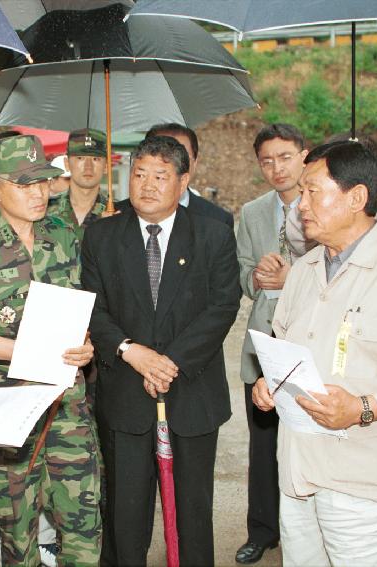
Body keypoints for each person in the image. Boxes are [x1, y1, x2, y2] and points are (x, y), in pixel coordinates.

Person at [251, 140, 377, 566]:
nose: (300, 205)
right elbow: (285, 353)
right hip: (299, 476)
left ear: (356, 197)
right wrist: (268, 386)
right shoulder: (303, 273)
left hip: (368, 484)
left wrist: (363, 407)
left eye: (312, 192)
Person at [0, 134, 101, 566]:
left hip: (67, 406)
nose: (38, 193)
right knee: (17, 536)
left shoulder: (65, 234)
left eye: (43, 183)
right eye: (24, 184)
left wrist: (86, 345)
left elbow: (83, 306)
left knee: (83, 527)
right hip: (8, 410)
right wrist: (21, 349)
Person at [81, 135, 241, 565]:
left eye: (160, 176)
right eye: (139, 174)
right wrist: (133, 352)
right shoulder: (101, 236)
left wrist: (169, 362)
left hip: (191, 393)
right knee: (125, 515)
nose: (147, 185)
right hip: (126, 395)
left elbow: (224, 304)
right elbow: (92, 307)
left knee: (192, 514)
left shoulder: (212, 234)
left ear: (184, 180)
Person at [234, 123, 308, 564]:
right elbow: (243, 273)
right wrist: (257, 278)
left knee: (305, 439)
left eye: (284, 157)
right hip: (264, 341)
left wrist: (290, 277)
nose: (276, 168)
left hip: (309, 343)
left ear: (303, 155)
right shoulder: (252, 212)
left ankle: (305, 530)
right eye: (267, 160)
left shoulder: (324, 203)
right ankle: (262, 530)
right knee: (262, 443)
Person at [46, 128, 107, 239]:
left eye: (95, 159)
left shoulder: (118, 214)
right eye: (80, 158)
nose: (88, 167)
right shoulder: (43, 210)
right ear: (67, 163)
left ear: (106, 166)